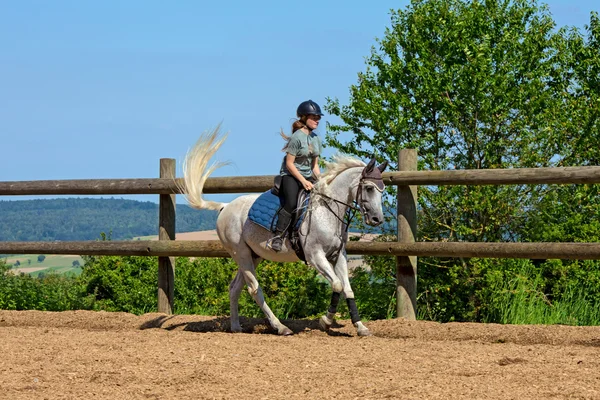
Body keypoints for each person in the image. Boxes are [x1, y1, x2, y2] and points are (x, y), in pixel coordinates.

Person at [268, 100, 323, 252]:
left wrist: (322, 180)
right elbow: (290, 164)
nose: (317, 120)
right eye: (314, 117)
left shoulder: (316, 139)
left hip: (307, 176)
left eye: (319, 117)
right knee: (292, 202)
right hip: (290, 176)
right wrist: (303, 181)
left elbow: (315, 166)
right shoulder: (296, 138)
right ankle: (278, 236)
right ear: (304, 118)